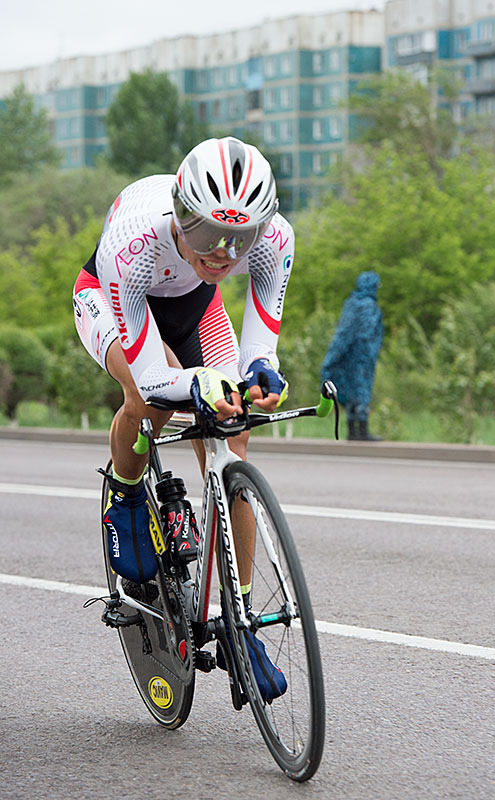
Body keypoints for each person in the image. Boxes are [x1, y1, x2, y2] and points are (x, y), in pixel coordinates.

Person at [73, 136, 292, 700]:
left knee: (233, 425)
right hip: (114, 295)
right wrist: (195, 382)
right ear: (180, 215)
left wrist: (260, 372)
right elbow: (152, 377)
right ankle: (123, 493)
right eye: (205, 235)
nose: (221, 253)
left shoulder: (275, 239)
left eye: (238, 241)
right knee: (152, 403)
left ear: (260, 229)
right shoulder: (136, 241)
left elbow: (260, 343)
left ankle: (240, 620)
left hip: (195, 307)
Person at [321, 270, 383, 441]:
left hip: (349, 356)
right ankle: (361, 430)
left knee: (351, 391)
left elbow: (343, 332)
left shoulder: (351, 303)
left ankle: (352, 430)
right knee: (361, 391)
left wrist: (333, 356)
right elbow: (364, 333)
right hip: (362, 357)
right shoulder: (368, 306)